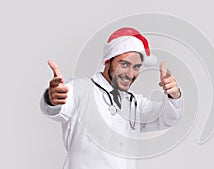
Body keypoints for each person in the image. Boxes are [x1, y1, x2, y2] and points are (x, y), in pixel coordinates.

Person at [40, 27, 183, 169]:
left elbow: (167, 118)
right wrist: (52, 98)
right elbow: (59, 107)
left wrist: (174, 95)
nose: (130, 74)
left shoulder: (134, 103)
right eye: (124, 64)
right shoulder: (80, 89)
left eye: (136, 67)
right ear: (108, 61)